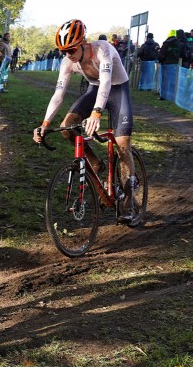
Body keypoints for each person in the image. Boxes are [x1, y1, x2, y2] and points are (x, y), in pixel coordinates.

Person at [33, 19, 139, 222]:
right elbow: (58, 95)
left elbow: (107, 82)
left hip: (117, 90)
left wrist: (97, 112)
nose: (68, 55)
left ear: (83, 43)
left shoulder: (103, 50)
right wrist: (45, 124)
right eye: (63, 51)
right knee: (66, 127)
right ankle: (95, 163)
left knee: (122, 145)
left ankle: (128, 204)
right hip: (94, 89)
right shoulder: (68, 62)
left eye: (71, 49)